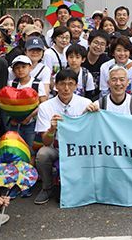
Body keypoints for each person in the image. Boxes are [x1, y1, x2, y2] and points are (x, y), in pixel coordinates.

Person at [35, 69, 92, 205]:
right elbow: (45, 141)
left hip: (79, 147)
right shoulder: (45, 107)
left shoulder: (85, 103)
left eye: (70, 84)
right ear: (55, 85)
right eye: (62, 84)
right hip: (57, 146)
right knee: (42, 154)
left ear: (76, 86)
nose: (66, 88)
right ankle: (47, 187)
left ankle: (88, 187)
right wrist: (52, 129)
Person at [6, 55, 47, 148]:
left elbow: (43, 104)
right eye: (17, 68)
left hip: (31, 123)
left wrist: (29, 117)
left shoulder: (37, 84)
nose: (20, 70)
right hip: (15, 123)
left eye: (23, 67)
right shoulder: (12, 84)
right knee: (14, 147)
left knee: (30, 148)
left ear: (30, 67)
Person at [81, 30, 111, 100]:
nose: (98, 47)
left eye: (102, 44)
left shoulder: (107, 63)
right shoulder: (80, 58)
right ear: (89, 42)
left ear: (106, 47)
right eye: (96, 43)